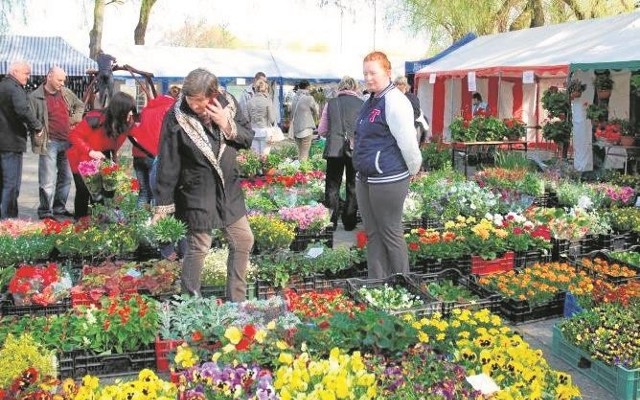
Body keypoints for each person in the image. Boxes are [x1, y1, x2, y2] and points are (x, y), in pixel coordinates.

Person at [151, 68, 255, 301]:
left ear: (213, 94)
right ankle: (190, 301)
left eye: (200, 101)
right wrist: (163, 205)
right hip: (196, 190)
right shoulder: (176, 116)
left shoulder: (228, 102)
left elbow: (248, 137)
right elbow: (168, 162)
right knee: (199, 247)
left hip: (228, 189)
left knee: (243, 239)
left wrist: (226, 124)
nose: (195, 105)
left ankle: (236, 301)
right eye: (190, 99)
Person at [352, 51, 422, 279]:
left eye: (373, 72)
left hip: (388, 178)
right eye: (365, 73)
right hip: (366, 177)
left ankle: (403, 283)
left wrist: (413, 170)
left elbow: (409, 144)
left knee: (390, 233)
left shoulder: (395, 101)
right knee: (373, 233)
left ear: (388, 72)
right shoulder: (371, 99)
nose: (368, 77)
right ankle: (378, 283)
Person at [67, 91, 137, 218]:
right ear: (120, 110)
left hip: (101, 156)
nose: (131, 113)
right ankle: (80, 222)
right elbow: (74, 136)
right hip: (81, 155)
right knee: (83, 191)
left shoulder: (127, 122)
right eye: (129, 110)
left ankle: (96, 223)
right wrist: (90, 151)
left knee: (99, 193)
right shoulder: (95, 118)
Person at [29, 66, 85, 220]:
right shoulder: (36, 97)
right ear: (49, 76)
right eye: (59, 80)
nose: (62, 83)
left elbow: (80, 105)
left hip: (67, 141)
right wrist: (37, 129)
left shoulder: (65, 92)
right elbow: (30, 118)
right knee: (47, 179)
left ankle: (59, 208)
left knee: (66, 178)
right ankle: (45, 211)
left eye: (64, 80)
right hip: (49, 142)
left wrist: (74, 119)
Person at [317, 75, 363, 231]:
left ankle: (332, 221)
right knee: (353, 184)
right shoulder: (362, 104)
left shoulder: (331, 104)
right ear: (355, 88)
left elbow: (322, 130)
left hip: (334, 149)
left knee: (332, 185)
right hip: (355, 149)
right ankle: (349, 221)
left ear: (340, 88)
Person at [0, 60, 43, 219]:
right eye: (26, 73)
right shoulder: (15, 88)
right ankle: (8, 220)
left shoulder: (2, 86)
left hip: (2, 142)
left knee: (2, 183)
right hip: (12, 142)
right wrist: (37, 126)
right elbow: (22, 110)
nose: (28, 76)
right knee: (11, 184)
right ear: (15, 71)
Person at [129, 93, 176, 205]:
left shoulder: (146, 109)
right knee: (156, 193)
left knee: (143, 192)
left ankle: (139, 221)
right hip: (155, 154)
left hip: (138, 154)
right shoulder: (170, 109)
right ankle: (153, 222)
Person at [394, 76, 429, 145]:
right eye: (396, 84)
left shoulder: (411, 97)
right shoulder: (394, 97)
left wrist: (406, 122)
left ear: (405, 85)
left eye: (400, 84)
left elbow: (416, 112)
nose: (397, 86)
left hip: (414, 124)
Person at [289, 79, 319, 161]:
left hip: (296, 129)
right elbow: (316, 111)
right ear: (307, 87)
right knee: (304, 154)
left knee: (300, 153)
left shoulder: (295, 97)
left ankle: (298, 170)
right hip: (306, 128)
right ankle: (302, 172)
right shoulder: (309, 98)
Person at [247, 79, 276, 156]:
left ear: (255, 89)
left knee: (255, 158)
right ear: (265, 89)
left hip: (253, 132)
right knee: (265, 158)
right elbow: (272, 119)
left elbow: (247, 119)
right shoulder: (267, 101)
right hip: (265, 131)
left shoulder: (249, 101)